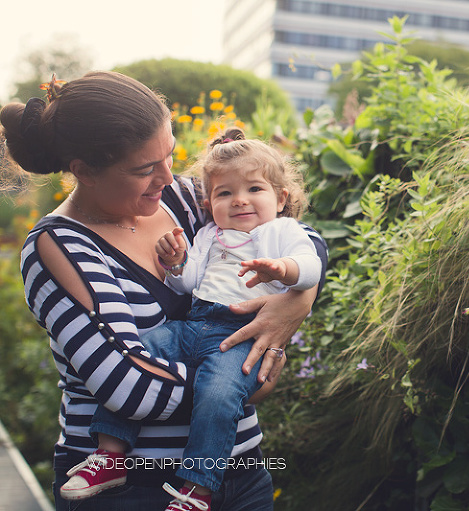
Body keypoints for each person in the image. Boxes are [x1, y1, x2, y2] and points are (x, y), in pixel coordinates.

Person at [1, 71, 327, 511]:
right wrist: (242, 383)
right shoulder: (58, 247)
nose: (168, 176)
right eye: (144, 169)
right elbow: (127, 383)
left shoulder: (183, 197)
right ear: (84, 171)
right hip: (133, 490)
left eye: (169, 155)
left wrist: (295, 302)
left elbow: (295, 235)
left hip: (241, 471)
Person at [61, 128, 322, 510]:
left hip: (237, 335)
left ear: (281, 198)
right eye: (225, 193)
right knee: (144, 348)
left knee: (218, 393)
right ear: (207, 201)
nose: (239, 201)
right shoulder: (210, 234)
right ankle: (111, 454)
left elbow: (311, 266)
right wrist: (177, 262)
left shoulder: (283, 231)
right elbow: (188, 284)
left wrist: (283, 271)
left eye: (254, 190)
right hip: (195, 325)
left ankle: (197, 487)